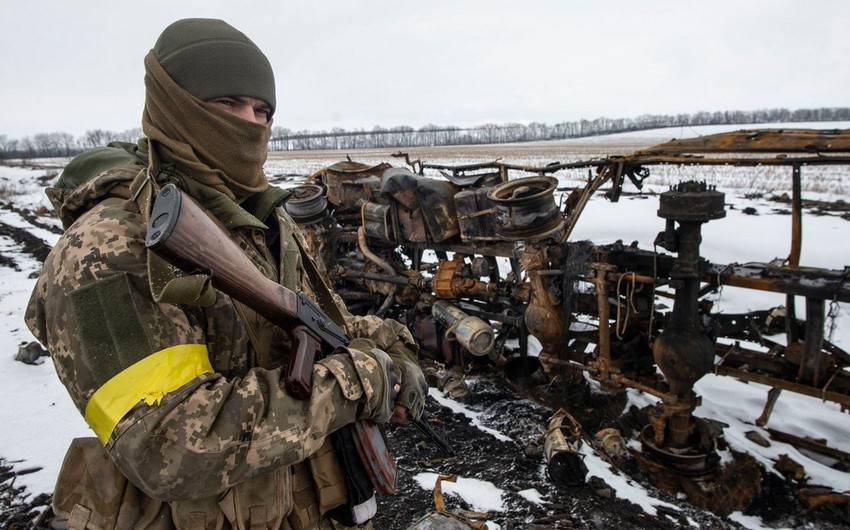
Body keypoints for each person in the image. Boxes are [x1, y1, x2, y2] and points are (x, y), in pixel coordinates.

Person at [26, 18, 427, 530]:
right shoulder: (106, 245)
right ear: (173, 105)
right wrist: (359, 382)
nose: (250, 124)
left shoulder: (262, 218)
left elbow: (326, 322)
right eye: (227, 104)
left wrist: (392, 347)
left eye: (263, 111)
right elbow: (171, 445)